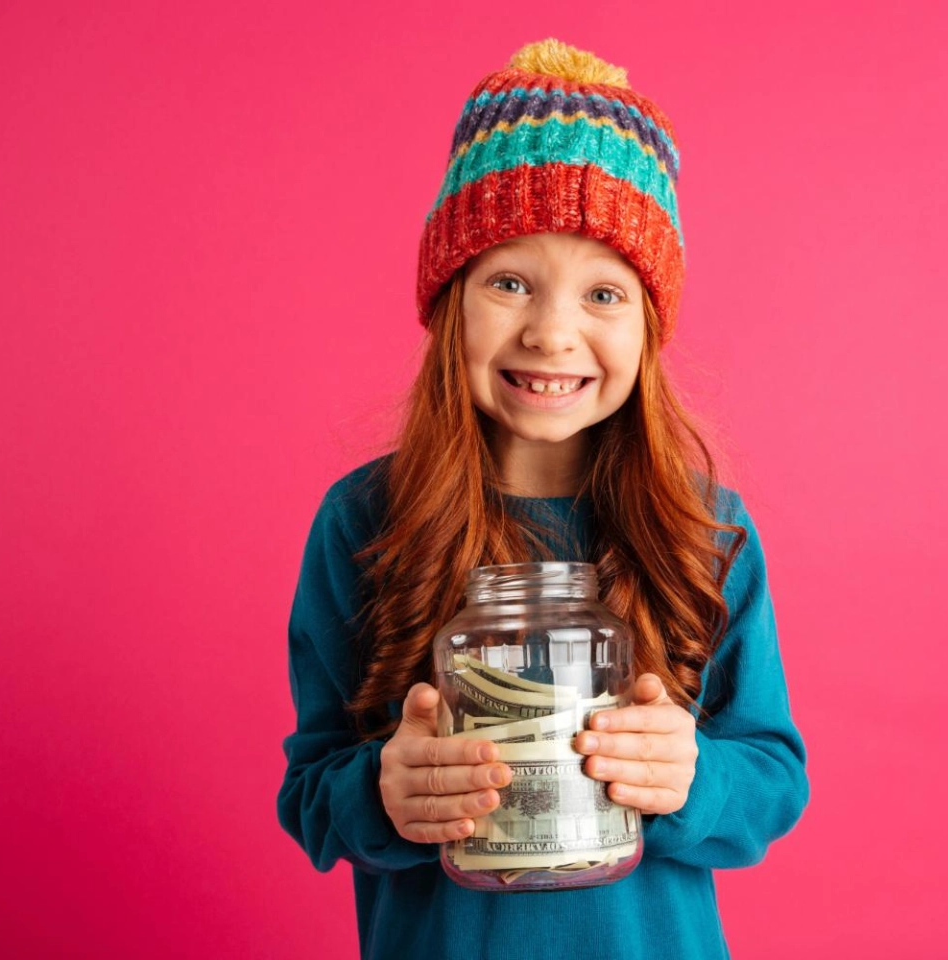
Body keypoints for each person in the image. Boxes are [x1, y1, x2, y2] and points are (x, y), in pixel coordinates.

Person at [277, 38, 808, 960]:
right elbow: (312, 794)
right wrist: (380, 792)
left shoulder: (706, 530)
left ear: (649, 328)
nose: (552, 333)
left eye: (604, 293)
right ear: (450, 299)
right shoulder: (364, 523)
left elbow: (774, 777)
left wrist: (694, 777)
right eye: (510, 282)